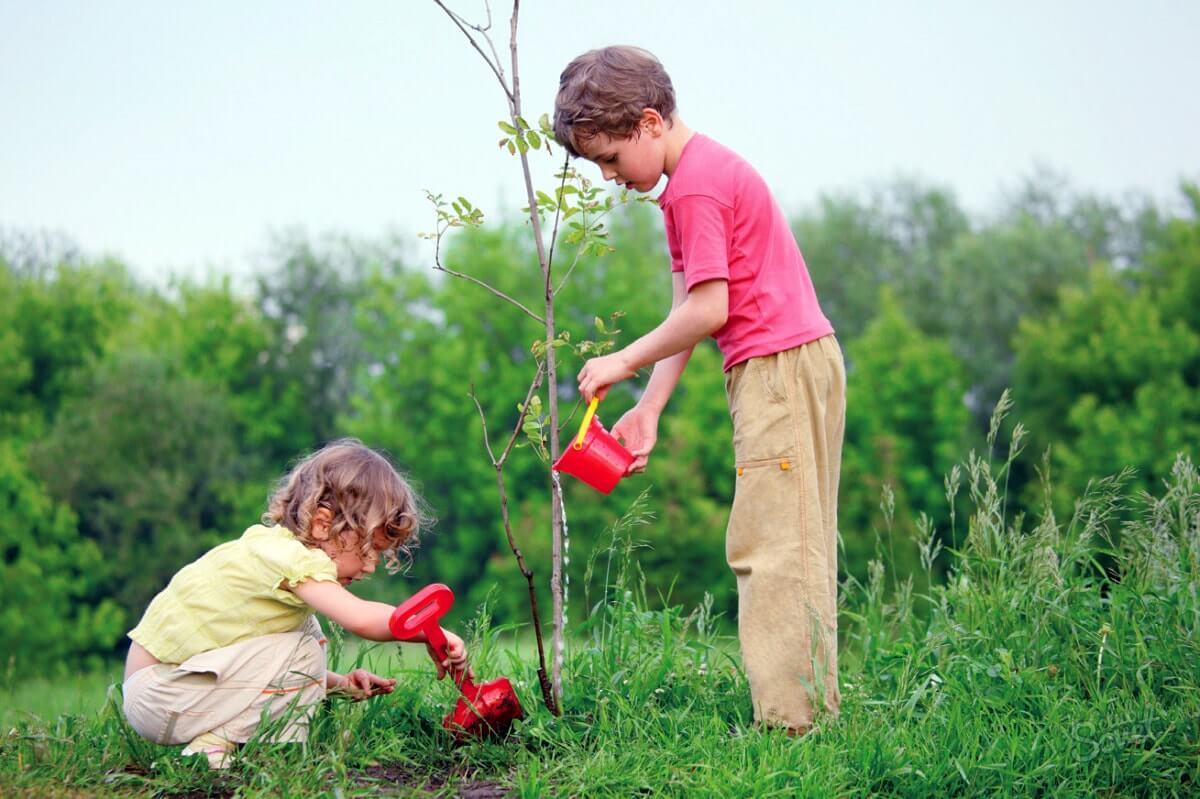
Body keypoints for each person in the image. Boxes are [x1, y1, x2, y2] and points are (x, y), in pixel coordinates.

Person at [554, 46, 845, 735]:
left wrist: (622, 359)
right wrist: (650, 404)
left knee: (773, 546)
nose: (608, 176)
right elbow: (689, 303)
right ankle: (807, 715)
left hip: (778, 367)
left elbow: (711, 310)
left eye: (611, 158)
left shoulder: (697, 186)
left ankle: (794, 726)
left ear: (649, 123)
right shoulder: (684, 187)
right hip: (780, 364)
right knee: (789, 537)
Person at [122, 439, 471, 768]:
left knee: (305, 632)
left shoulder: (274, 551)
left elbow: (254, 660)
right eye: (370, 549)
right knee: (304, 644)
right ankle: (220, 750)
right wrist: (430, 632)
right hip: (162, 693)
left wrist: (337, 683)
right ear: (322, 525)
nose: (370, 566)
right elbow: (362, 619)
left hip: (166, 693)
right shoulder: (293, 560)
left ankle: (226, 746)